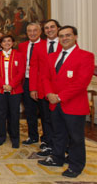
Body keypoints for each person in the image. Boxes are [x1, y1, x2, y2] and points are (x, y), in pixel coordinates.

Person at [38, 26, 95, 178]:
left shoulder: (86, 56)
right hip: (54, 103)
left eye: (68, 35)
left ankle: (76, 165)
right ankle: (57, 158)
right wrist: (49, 93)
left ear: (75, 37)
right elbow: (45, 77)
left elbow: (81, 82)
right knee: (58, 134)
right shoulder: (52, 57)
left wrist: (60, 96)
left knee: (75, 138)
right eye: (61, 36)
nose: (64, 38)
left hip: (73, 105)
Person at [31, 19, 62, 156]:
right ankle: (49, 144)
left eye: (52, 27)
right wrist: (33, 88)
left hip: (62, 90)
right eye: (47, 28)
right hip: (43, 89)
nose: (49, 30)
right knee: (46, 119)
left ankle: (62, 145)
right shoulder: (39, 46)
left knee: (62, 119)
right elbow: (34, 68)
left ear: (58, 28)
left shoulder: (65, 44)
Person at [0, 35, 25, 148]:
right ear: (0, 44)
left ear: (13, 43)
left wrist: (11, 85)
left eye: (9, 41)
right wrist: (3, 85)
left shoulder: (19, 55)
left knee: (14, 114)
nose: (6, 43)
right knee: (1, 114)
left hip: (15, 90)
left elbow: (21, 72)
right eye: (4, 41)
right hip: (0, 89)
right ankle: (2, 137)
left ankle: (15, 138)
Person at [18, 23, 45, 145]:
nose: (32, 33)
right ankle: (33, 136)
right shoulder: (22, 46)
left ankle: (46, 138)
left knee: (45, 112)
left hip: (41, 82)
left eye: (35, 30)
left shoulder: (45, 45)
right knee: (30, 111)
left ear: (40, 32)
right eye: (29, 31)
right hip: (26, 81)